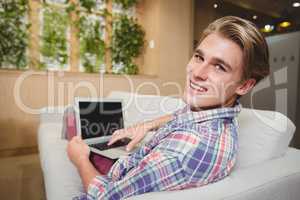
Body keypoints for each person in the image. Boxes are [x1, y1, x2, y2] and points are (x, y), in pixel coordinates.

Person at [67, 16, 270, 199]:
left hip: (115, 179)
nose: (197, 72)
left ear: (244, 85)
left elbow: (105, 195)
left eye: (219, 66)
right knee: (81, 125)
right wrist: (146, 126)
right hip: (129, 164)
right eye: (199, 57)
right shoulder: (213, 114)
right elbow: (180, 116)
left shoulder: (183, 152)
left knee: (75, 132)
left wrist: (80, 160)